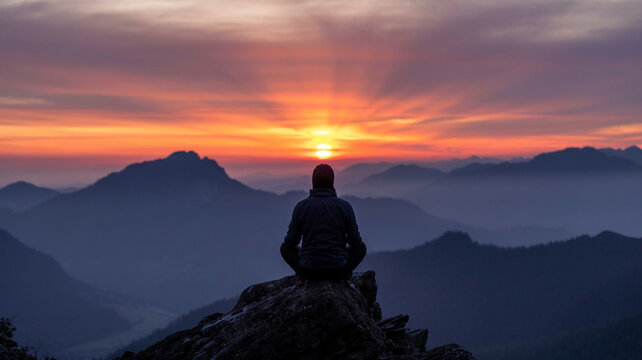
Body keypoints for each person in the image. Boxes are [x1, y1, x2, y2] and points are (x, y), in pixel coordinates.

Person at [280, 164, 367, 282]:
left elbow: (290, 242)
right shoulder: (344, 206)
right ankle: (345, 275)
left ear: (313, 181)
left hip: (309, 270)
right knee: (361, 249)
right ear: (332, 181)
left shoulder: (301, 207)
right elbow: (355, 242)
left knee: (284, 248)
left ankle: (301, 276)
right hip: (338, 269)